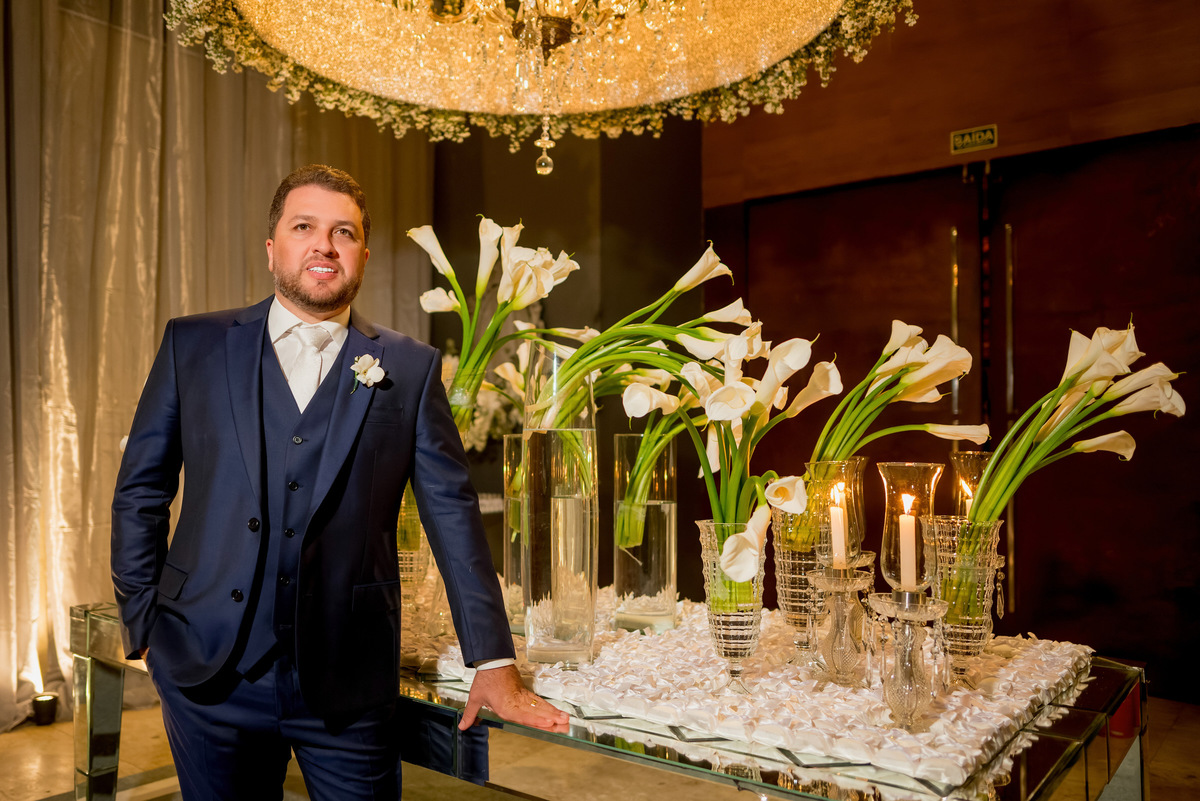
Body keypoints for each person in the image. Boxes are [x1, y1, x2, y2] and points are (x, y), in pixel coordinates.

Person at [111, 164, 567, 799]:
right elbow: (142, 490)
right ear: (272, 247)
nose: (323, 245)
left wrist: (493, 660)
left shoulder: (411, 367)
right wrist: (143, 623)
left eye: (343, 232)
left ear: (363, 256)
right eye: (304, 227)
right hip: (207, 672)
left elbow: (452, 515)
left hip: (350, 680)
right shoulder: (193, 344)